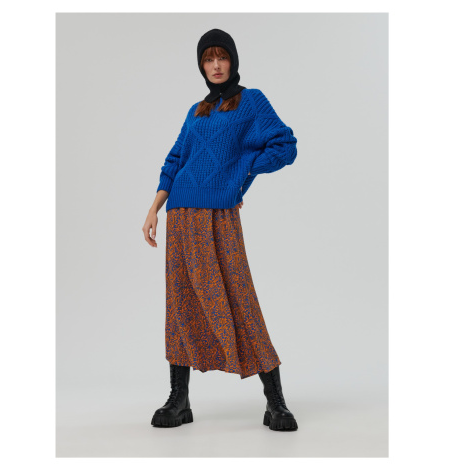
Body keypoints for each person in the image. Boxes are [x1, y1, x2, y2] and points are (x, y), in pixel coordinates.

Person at [142, 28, 299, 431]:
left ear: (233, 61)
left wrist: (240, 175)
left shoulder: (251, 101)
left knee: (238, 297)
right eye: (208, 59)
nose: (215, 66)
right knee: (180, 302)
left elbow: (285, 146)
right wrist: (154, 208)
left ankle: (276, 402)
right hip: (180, 214)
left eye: (221, 57)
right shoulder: (196, 111)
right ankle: (179, 400)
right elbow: (175, 159)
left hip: (218, 216)